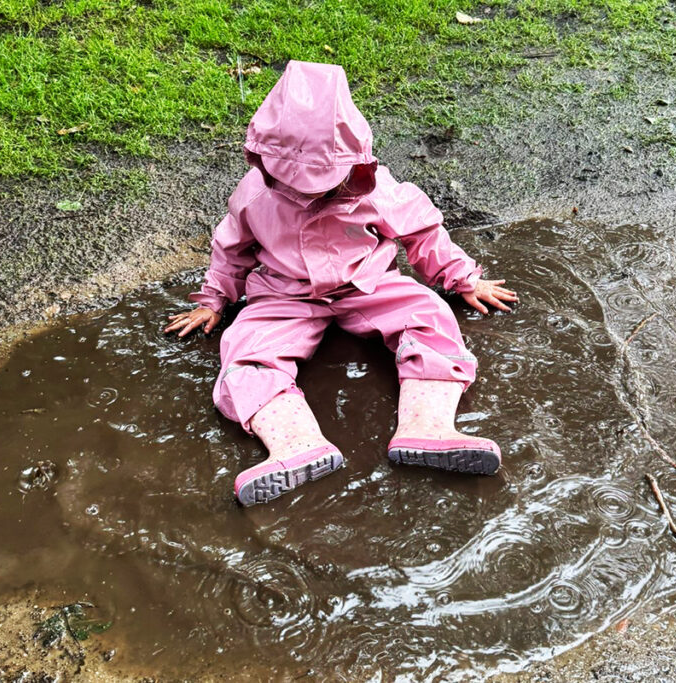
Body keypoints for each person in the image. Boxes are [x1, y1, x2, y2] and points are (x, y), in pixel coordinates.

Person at [165, 61, 517, 506]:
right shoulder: (255, 194)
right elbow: (230, 249)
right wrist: (214, 300)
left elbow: (421, 232)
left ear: (354, 163)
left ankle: (427, 427)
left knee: (429, 316)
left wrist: (462, 278)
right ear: (265, 162)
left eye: (322, 184)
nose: (307, 195)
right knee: (246, 350)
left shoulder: (375, 189)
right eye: (292, 183)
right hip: (284, 294)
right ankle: (294, 445)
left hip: (367, 285)